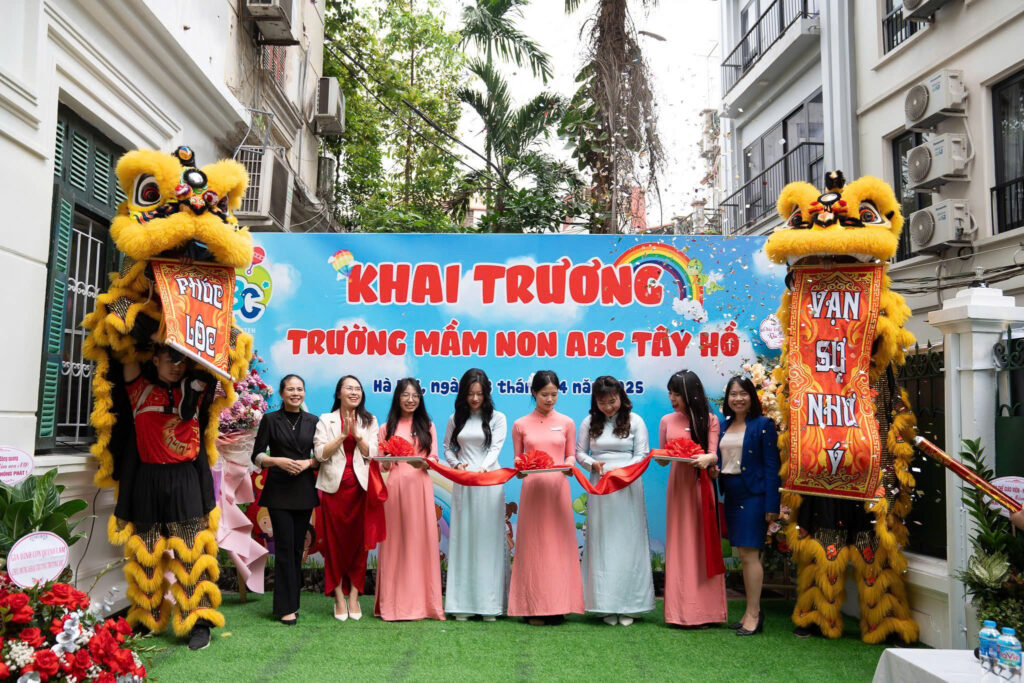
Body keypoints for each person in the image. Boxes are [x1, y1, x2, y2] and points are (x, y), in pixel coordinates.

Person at [112, 345, 220, 649]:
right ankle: (147, 619)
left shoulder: (197, 391)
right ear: (155, 359)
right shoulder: (139, 389)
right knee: (146, 552)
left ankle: (199, 622)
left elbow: (215, 362)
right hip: (147, 478)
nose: (177, 366)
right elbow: (126, 348)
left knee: (191, 552)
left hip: (186, 478)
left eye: (182, 361)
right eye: (171, 359)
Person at [576, 376, 655, 626]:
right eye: (603, 403)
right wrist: (593, 464)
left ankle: (630, 604)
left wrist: (622, 472)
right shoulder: (589, 422)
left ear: (621, 397)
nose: (609, 407)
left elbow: (642, 454)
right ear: (595, 402)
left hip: (628, 485)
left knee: (629, 540)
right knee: (603, 540)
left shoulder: (635, 421)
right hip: (600, 486)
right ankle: (605, 604)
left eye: (612, 401)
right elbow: (580, 453)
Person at [508, 371, 584, 625]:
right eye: (544, 395)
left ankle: (558, 606)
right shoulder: (520, 424)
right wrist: (520, 468)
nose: (550, 399)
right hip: (532, 492)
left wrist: (569, 464)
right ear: (534, 393)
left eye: (554, 394)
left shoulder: (567, 422)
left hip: (557, 490)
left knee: (557, 547)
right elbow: (518, 459)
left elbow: (571, 454)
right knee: (534, 547)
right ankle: (532, 607)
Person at [657, 369, 726, 628]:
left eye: (677, 394)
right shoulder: (666, 420)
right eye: (670, 393)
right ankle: (680, 612)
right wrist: (660, 456)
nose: (672, 399)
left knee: (701, 544)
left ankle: (707, 612)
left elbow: (713, 454)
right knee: (680, 544)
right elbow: (663, 460)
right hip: (678, 488)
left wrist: (708, 458)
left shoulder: (710, 420)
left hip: (700, 487)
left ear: (690, 394)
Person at [374, 378, 445, 621]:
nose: (410, 399)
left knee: (419, 541)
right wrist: (385, 459)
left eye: (415, 395)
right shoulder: (386, 427)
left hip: (420, 487)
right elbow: (382, 463)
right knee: (395, 542)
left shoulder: (428, 426)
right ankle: (393, 604)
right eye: (405, 395)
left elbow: (434, 458)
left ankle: (423, 604)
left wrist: (423, 462)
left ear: (420, 399)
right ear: (397, 397)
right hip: (395, 488)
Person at [250, 374, 319, 626]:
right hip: (278, 491)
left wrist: (308, 463)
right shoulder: (270, 420)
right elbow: (256, 455)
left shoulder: (313, 421)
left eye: (299, 389)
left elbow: (321, 457)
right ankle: (284, 607)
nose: (295, 393)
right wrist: (276, 461)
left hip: (304, 490)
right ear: (281, 393)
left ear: (304, 393)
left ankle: (293, 603)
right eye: (290, 389)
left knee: (297, 549)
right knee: (284, 548)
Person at [717, 376, 781, 636]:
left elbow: (772, 466)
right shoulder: (723, 425)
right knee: (743, 554)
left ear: (752, 397)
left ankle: (754, 613)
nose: (738, 399)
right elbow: (723, 460)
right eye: (733, 394)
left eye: (743, 393)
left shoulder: (763, 425)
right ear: (727, 399)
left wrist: (772, 504)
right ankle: (748, 612)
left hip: (754, 495)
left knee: (750, 554)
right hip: (731, 494)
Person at [442, 369, 508, 621]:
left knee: (488, 540)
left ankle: (489, 605)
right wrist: (457, 465)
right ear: (463, 394)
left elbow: (495, 448)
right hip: (464, 483)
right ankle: (463, 605)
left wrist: (483, 468)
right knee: (465, 539)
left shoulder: (498, 418)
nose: (475, 398)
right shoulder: (455, 418)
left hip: (489, 482)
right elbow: (447, 448)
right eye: (470, 393)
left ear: (486, 394)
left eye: (479, 393)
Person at [313, 375, 378, 622]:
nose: (354, 392)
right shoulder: (325, 420)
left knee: (359, 545)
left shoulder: (369, 420)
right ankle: (339, 596)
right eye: (349, 388)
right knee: (335, 545)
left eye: (358, 389)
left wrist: (358, 436)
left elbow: (373, 454)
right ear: (338, 393)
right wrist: (341, 436)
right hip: (334, 490)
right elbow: (319, 454)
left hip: (361, 489)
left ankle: (354, 596)